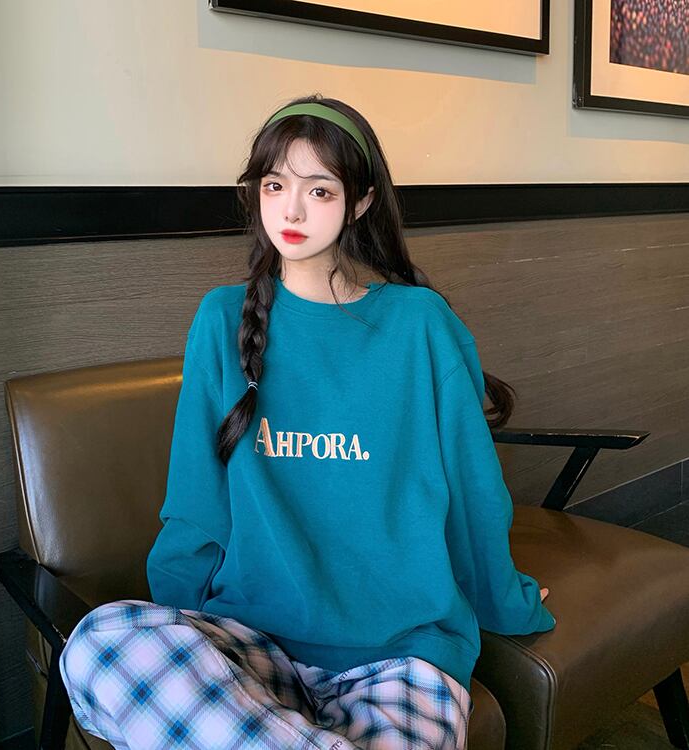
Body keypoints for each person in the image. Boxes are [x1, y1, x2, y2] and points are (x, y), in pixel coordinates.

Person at [59, 93, 555, 750]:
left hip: (400, 654)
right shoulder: (221, 320)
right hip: (252, 639)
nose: (290, 211)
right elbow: (196, 502)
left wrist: (507, 601)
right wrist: (182, 626)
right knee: (99, 642)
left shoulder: (419, 325)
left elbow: (471, 494)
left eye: (319, 190)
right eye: (274, 185)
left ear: (361, 201)